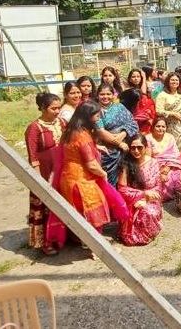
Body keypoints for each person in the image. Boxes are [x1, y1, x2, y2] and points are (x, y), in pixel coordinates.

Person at [56, 101, 111, 239]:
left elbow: (73, 149)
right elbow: (91, 164)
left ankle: (82, 241)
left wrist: (96, 147)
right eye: (97, 116)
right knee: (93, 210)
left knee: (79, 213)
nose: (99, 119)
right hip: (81, 181)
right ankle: (95, 247)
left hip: (68, 178)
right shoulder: (82, 136)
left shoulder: (71, 130)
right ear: (88, 117)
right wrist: (103, 174)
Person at [24, 92, 64, 256]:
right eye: (53, 108)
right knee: (46, 206)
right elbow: (33, 157)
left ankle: (61, 236)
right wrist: (39, 180)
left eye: (59, 108)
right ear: (42, 108)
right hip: (45, 173)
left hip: (61, 169)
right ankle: (45, 242)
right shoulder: (34, 128)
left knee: (62, 205)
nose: (57, 111)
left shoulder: (61, 122)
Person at [117, 134, 163, 246]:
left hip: (151, 199)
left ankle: (148, 234)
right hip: (131, 200)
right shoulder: (126, 164)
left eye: (139, 147)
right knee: (134, 214)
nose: (136, 151)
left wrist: (145, 200)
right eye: (133, 148)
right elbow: (122, 188)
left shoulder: (153, 163)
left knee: (148, 212)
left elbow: (158, 187)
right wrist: (141, 195)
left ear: (146, 147)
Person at [94, 83, 137, 186]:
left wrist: (123, 134)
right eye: (102, 94)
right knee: (108, 179)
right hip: (107, 151)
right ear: (97, 95)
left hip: (125, 147)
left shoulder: (120, 107)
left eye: (108, 94)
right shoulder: (95, 110)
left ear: (113, 95)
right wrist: (119, 143)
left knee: (125, 176)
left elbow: (132, 123)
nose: (105, 97)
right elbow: (100, 131)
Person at [144, 116, 181, 201]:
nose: (160, 129)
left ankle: (176, 196)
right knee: (157, 180)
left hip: (170, 165)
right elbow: (147, 159)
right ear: (153, 127)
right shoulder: (148, 138)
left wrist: (168, 167)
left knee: (177, 176)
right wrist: (160, 172)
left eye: (163, 126)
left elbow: (175, 155)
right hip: (154, 167)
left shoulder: (170, 137)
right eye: (158, 126)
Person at [155, 73, 181, 152]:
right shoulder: (162, 95)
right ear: (168, 81)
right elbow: (158, 111)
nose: (174, 82)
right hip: (169, 126)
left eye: (176, 80)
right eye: (172, 80)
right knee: (171, 148)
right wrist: (173, 114)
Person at [126, 69, 156, 133]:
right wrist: (144, 78)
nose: (136, 79)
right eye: (133, 77)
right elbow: (143, 94)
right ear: (129, 79)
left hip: (147, 120)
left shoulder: (148, 89)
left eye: (138, 76)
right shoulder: (129, 91)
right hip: (135, 120)